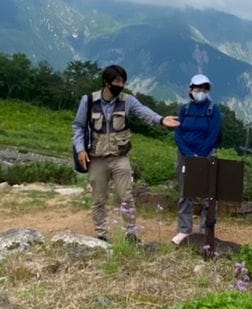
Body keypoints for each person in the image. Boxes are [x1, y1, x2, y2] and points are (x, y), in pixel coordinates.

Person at [72, 64, 180, 242]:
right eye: (117, 81)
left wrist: (161, 120)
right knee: (99, 199)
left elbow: (144, 112)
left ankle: (131, 234)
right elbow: (78, 126)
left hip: (120, 157)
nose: (120, 85)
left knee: (126, 197)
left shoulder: (127, 100)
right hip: (97, 158)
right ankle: (101, 235)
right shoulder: (88, 101)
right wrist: (80, 149)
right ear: (106, 82)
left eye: (123, 81)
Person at [172, 74, 224, 246]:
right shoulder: (184, 109)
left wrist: (200, 155)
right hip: (184, 155)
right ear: (190, 89)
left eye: (203, 88)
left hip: (207, 155)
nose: (200, 91)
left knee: (206, 194)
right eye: (196, 88)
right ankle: (184, 230)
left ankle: (205, 231)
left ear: (208, 90)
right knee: (185, 192)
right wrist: (188, 153)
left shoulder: (213, 110)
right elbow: (178, 134)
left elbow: (214, 134)